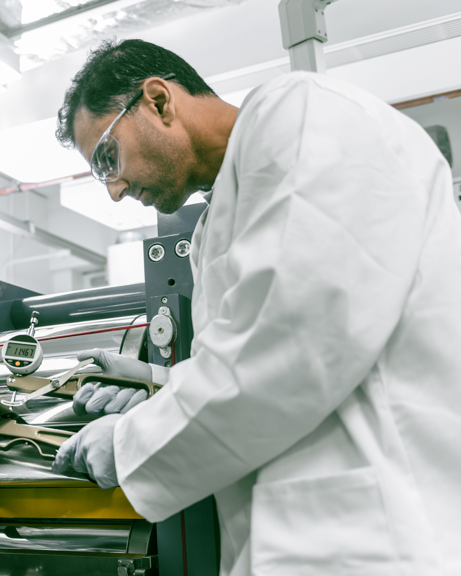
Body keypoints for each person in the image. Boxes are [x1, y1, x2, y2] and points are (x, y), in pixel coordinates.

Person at [50, 39, 461, 575]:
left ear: (157, 101)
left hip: (375, 537)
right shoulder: (213, 224)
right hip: (298, 541)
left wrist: (130, 444)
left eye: (108, 157)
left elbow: (296, 341)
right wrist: (159, 387)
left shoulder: (302, 116)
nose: (115, 189)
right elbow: (249, 350)